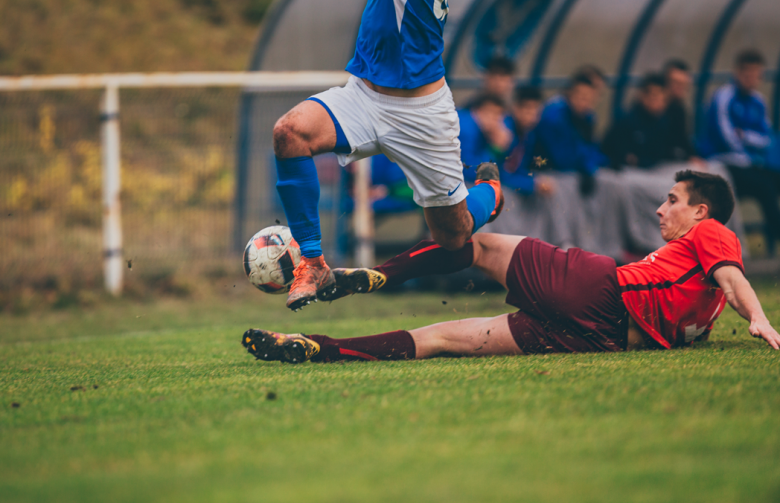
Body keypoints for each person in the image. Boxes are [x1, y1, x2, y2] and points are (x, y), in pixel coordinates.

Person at [242, 171, 780, 363]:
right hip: (605, 338)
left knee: (472, 245)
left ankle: (361, 277)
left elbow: (733, 278)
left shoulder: (713, 233)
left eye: (672, 200)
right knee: (440, 338)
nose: (661, 209)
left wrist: (758, 317)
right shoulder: (701, 306)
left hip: (596, 286)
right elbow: (713, 291)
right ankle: (318, 348)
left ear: (701, 212)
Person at [271, 0, 504, 310]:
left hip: (422, 112)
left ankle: (490, 193)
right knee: (290, 132)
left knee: (452, 235)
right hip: (363, 97)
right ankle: (312, 264)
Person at [700, 49, 780, 254]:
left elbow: (766, 138)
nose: (751, 79)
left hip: (751, 163)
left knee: (771, 182)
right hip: (723, 162)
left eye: (756, 74)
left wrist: (745, 136)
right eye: (747, 74)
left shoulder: (758, 101)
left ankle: (772, 241)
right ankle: (774, 239)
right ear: (737, 72)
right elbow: (727, 139)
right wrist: (748, 141)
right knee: (765, 187)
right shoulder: (723, 98)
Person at [531, 72, 608, 196]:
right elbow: (562, 158)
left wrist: (591, 166)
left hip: (571, 171)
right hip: (545, 169)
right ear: (570, 94)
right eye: (581, 96)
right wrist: (587, 168)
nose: (584, 102)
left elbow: (593, 149)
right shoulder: (553, 116)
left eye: (589, 99)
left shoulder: (588, 117)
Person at [602, 72, 692, 169]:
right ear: (642, 96)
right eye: (654, 97)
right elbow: (611, 150)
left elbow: (665, 150)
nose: (659, 103)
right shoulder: (627, 121)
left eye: (663, 99)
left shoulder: (664, 122)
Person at [458, 93, 514, 182]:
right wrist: (496, 148)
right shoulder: (466, 129)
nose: (496, 120)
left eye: (499, 115)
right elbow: (470, 172)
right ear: (477, 111)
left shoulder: (483, 131)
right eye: (491, 113)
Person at [663, 59, 698, 160]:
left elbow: (682, 139)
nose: (679, 88)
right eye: (675, 83)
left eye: (683, 84)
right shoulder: (657, 110)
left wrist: (692, 156)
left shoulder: (679, 108)